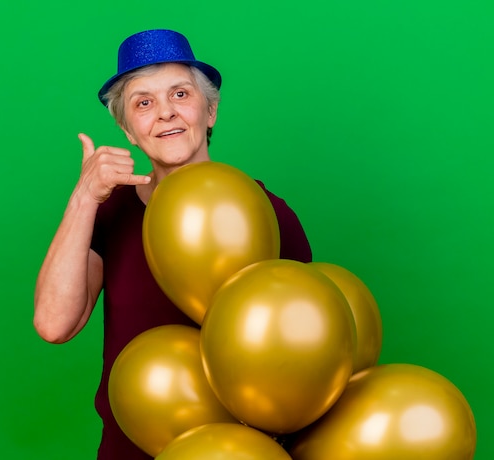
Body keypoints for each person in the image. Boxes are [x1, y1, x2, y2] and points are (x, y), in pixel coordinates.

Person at [33, 29, 312, 459]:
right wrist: (84, 196)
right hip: (131, 448)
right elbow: (54, 324)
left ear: (211, 111)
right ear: (129, 131)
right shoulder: (109, 212)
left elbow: (307, 348)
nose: (165, 113)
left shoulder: (267, 213)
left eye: (180, 94)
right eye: (143, 103)